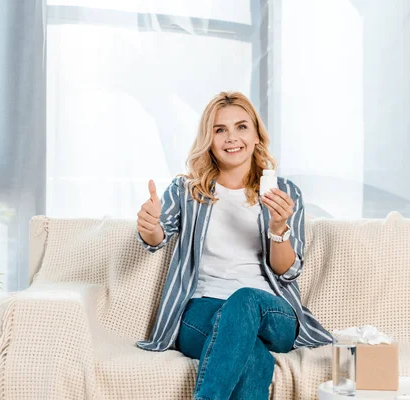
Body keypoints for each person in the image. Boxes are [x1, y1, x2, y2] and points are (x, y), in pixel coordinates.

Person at [136, 91, 332, 400]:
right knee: (253, 357)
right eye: (220, 129)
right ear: (209, 139)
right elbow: (157, 236)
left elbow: (287, 270)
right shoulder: (187, 190)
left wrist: (278, 228)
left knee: (244, 301)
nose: (232, 138)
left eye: (241, 127)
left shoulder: (284, 192)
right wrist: (149, 226)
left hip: (269, 309)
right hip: (201, 309)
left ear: (256, 135)